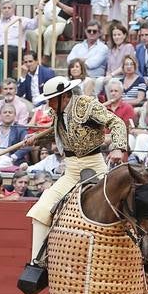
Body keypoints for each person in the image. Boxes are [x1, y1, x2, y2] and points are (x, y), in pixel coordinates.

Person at [25, 76, 126, 263]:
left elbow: (117, 123)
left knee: (117, 213)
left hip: (95, 167)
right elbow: (58, 132)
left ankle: (141, 256)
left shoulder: (87, 105)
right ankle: (37, 264)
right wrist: (36, 139)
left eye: (52, 99)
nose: (49, 104)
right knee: (41, 210)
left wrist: (118, 147)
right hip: (71, 171)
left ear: (64, 96)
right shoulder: (58, 111)